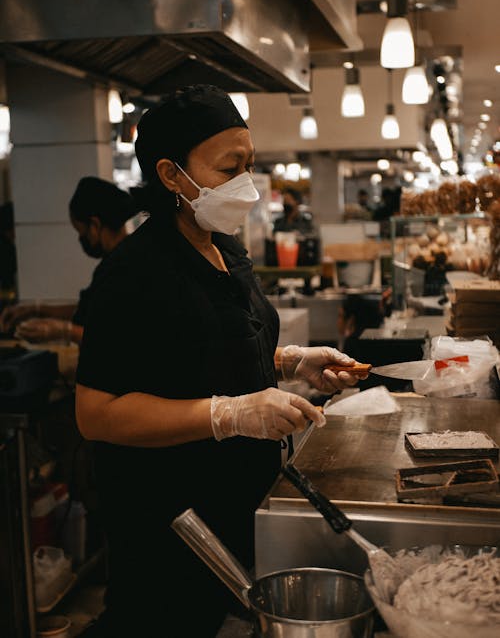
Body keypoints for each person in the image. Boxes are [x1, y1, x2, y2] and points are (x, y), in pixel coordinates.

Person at [74, 84, 367, 637]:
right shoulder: (133, 273)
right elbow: (96, 412)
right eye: (229, 167)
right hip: (173, 529)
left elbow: (207, 347)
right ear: (170, 175)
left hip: (237, 513)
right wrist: (228, 415)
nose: (245, 183)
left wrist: (288, 363)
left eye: (249, 165)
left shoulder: (224, 246)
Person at [0, 177, 135, 344]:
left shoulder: (128, 266)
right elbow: (90, 312)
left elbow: (118, 338)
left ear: (95, 225)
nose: (80, 239)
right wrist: (36, 310)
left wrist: (64, 331)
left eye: (80, 231)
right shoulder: (114, 260)